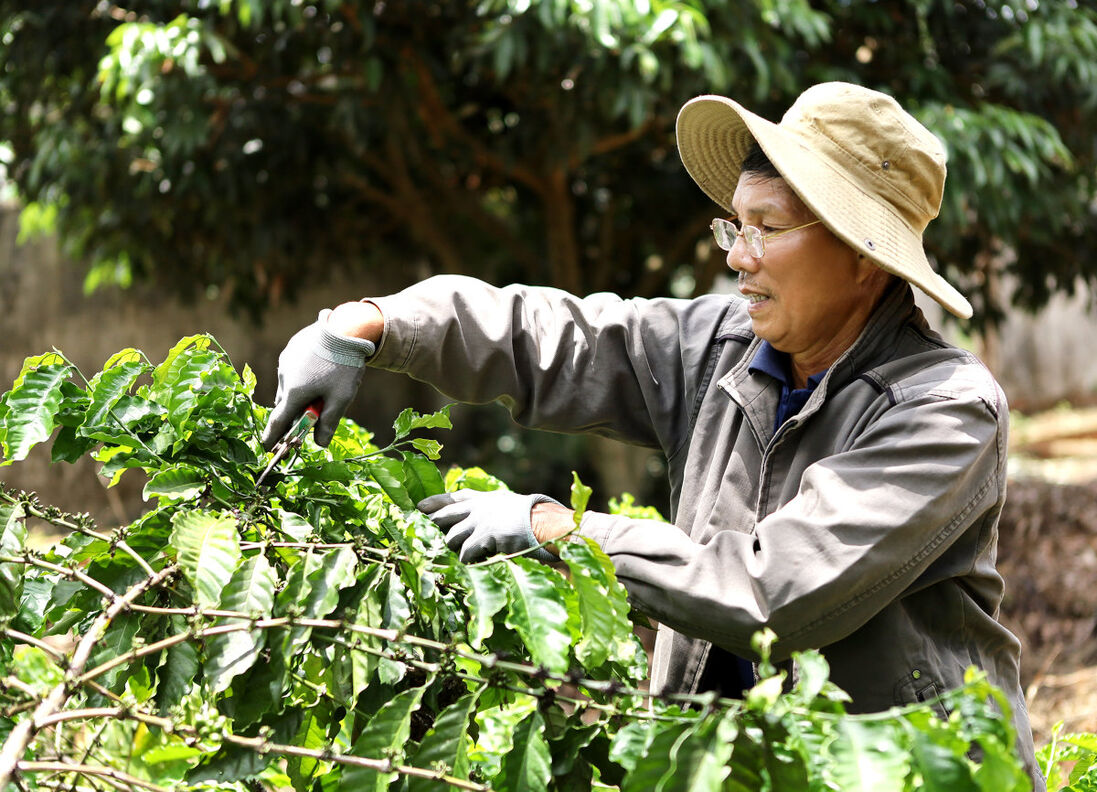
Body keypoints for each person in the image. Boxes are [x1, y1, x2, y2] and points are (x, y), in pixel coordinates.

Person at [262, 82, 1042, 786]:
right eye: (733, 225)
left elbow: (773, 595)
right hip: (718, 762)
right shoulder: (725, 347)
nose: (738, 257)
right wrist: (372, 323)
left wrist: (555, 531)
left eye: (767, 228)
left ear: (863, 259)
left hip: (901, 771)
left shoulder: (941, 408)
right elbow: (556, 338)